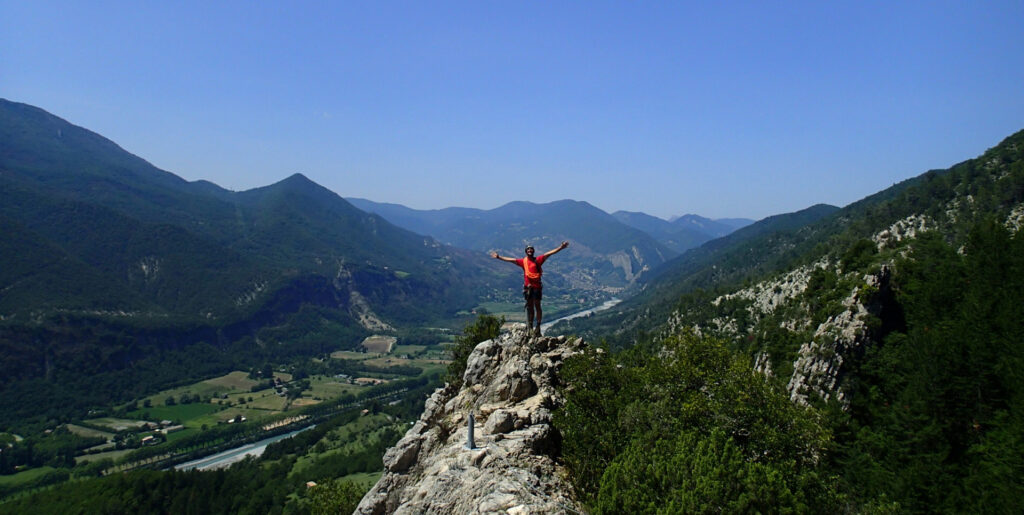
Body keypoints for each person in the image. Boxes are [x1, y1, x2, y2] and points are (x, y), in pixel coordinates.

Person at [491, 241, 569, 336]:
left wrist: (560, 248)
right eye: (528, 249)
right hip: (528, 288)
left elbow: (549, 253)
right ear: (526, 251)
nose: (529, 250)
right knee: (530, 308)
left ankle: (538, 326)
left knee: (537, 306)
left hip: (537, 288)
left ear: (533, 251)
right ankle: (531, 327)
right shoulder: (523, 262)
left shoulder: (538, 260)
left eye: (531, 249)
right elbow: (511, 260)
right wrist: (499, 257)